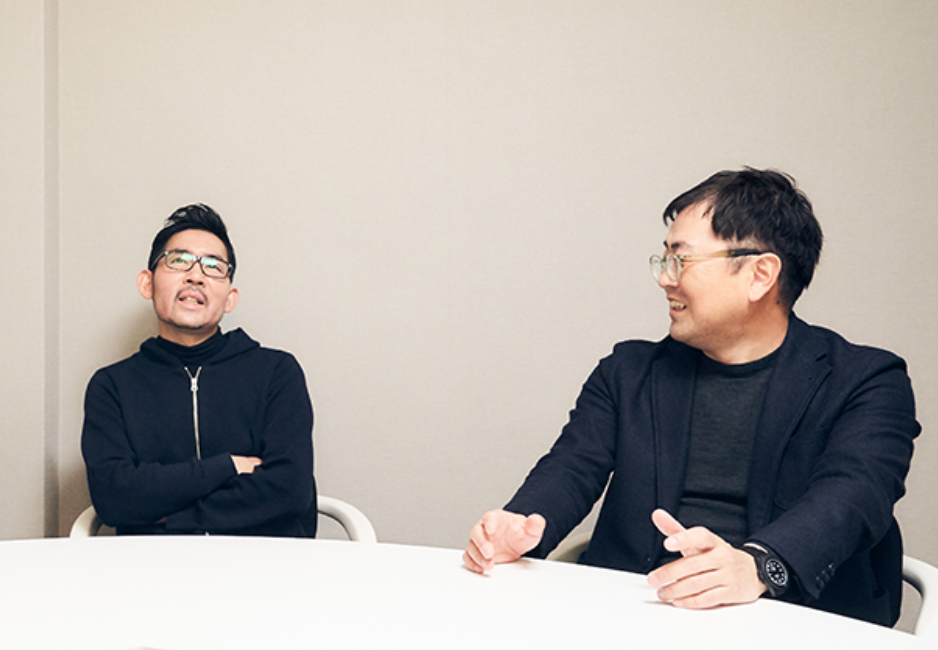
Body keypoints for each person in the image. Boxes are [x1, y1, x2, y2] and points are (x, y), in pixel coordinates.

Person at [463, 168, 919, 626]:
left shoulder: (866, 380)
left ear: (760, 274)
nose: (665, 279)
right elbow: (571, 468)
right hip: (633, 615)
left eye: (681, 260)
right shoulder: (628, 372)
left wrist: (758, 565)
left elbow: (853, 496)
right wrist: (521, 525)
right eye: (664, 260)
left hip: (793, 622)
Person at [81, 204, 316, 537]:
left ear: (230, 298)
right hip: (153, 566)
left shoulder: (277, 372)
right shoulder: (111, 386)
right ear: (147, 284)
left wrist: (174, 518)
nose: (196, 276)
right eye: (179, 260)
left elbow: (290, 490)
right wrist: (229, 466)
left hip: (265, 564)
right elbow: (114, 498)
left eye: (214, 267)